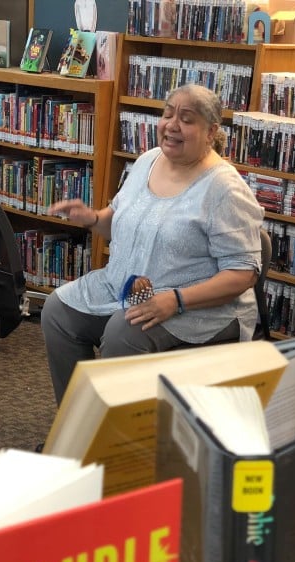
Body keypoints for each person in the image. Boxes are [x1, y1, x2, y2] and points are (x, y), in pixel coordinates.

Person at [41, 84, 264, 404]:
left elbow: (243, 274)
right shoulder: (147, 161)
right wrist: (92, 218)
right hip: (127, 287)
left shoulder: (224, 189)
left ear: (211, 131)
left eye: (186, 119)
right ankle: (78, 423)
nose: (172, 125)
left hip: (195, 305)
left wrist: (175, 300)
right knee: (58, 311)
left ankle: (119, 441)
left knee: (123, 332)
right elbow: (119, 221)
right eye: (167, 113)